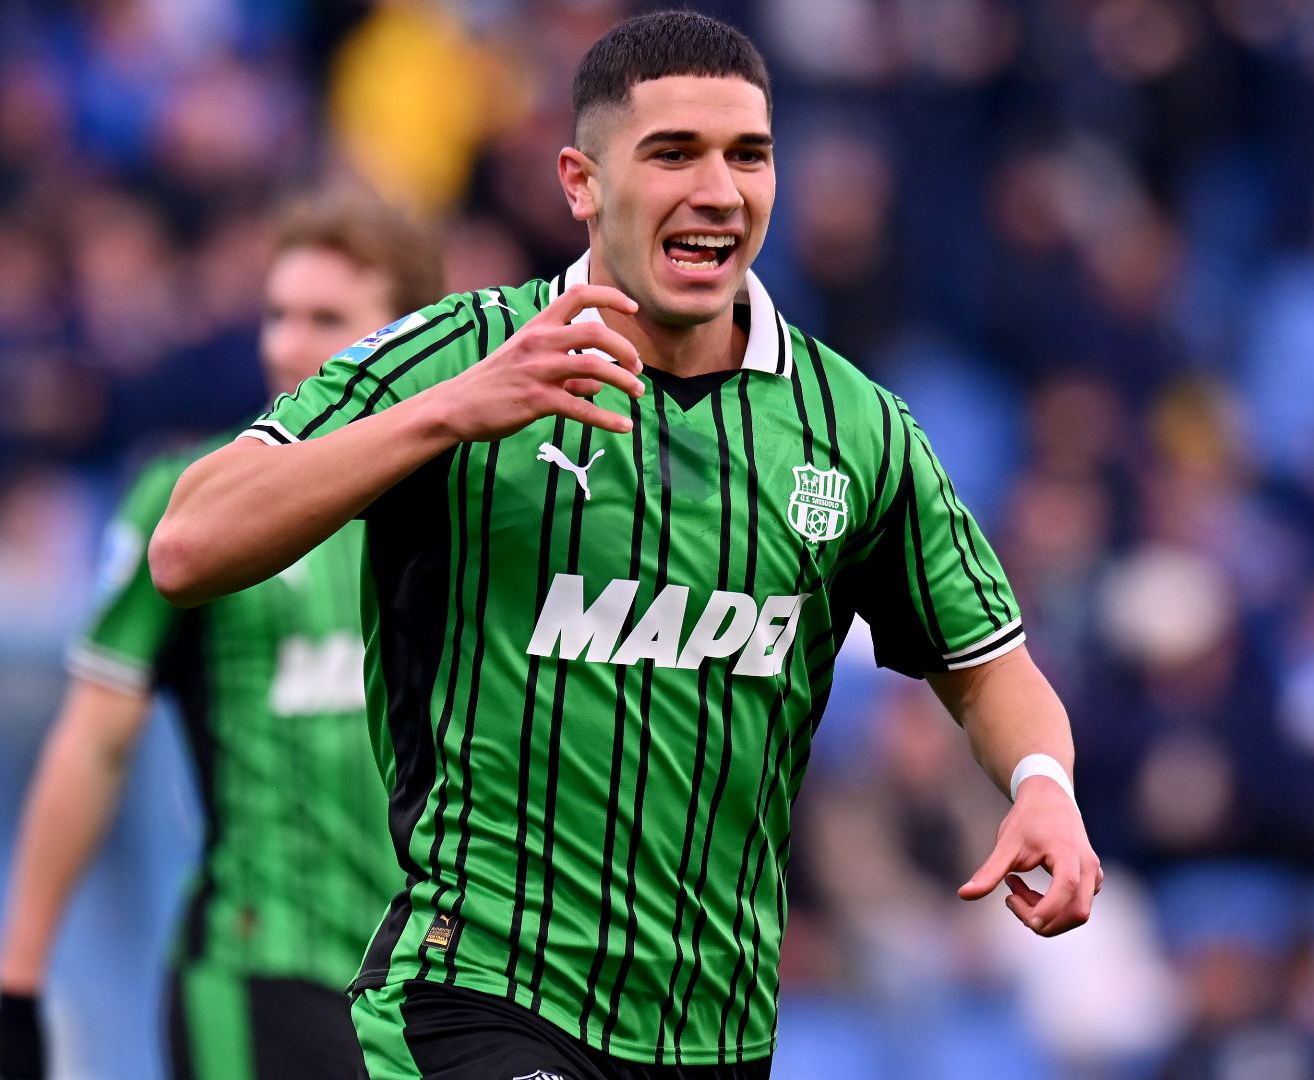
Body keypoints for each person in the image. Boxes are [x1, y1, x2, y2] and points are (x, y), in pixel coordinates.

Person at [151, 12, 1101, 1079]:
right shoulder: (462, 355)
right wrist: (450, 414)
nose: (720, 189)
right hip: (479, 995)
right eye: (674, 154)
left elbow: (988, 664)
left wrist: (1042, 784)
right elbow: (188, 543)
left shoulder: (855, 428)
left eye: (749, 154)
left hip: (717, 1030)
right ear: (581, 183)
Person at [0, 190, 442, 1080]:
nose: (288, 345)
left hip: (431, 987)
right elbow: (93, 744)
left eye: (327, 320)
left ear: (411, 338)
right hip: (258, 967)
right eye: (277, 315)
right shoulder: (192, 506)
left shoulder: (475, 502)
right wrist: (18, 984)